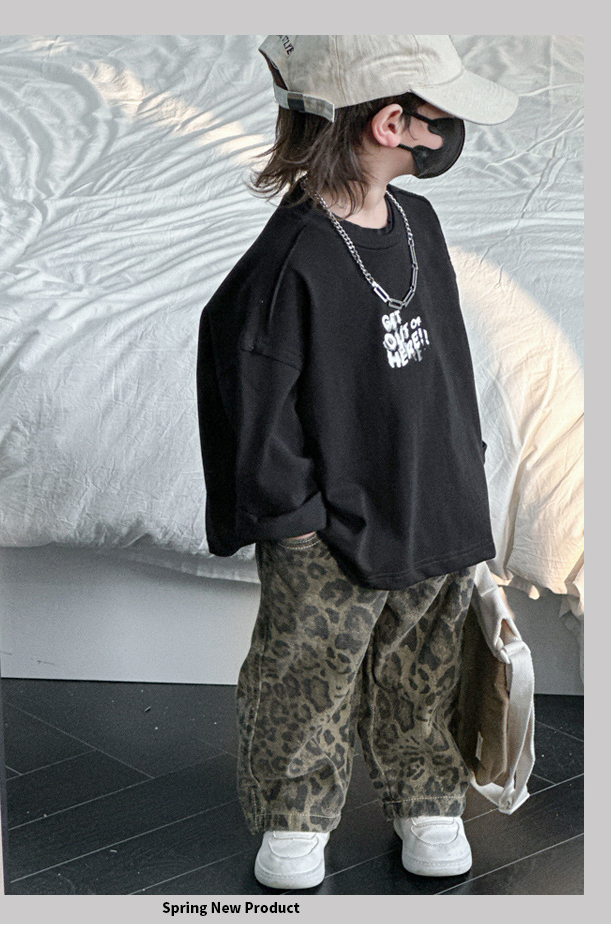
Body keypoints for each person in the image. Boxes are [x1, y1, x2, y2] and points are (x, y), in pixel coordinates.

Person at [196, 35, 518, 890]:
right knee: (308, 673)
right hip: (327, 528)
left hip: (430, 504)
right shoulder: (292, 257)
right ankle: (295, 816)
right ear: (391, 123)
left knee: (428, 665)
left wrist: (463, 478)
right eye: (442, 116)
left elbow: (445, 364)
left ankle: (428, 797)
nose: (451, 132)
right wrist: (295, 521)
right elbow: (251, 394)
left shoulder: (419, 223)